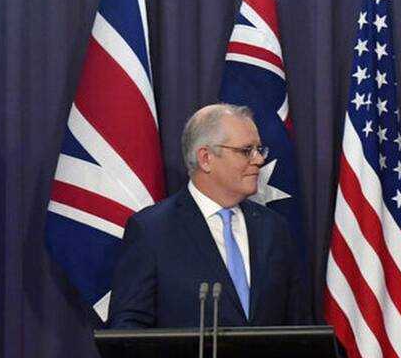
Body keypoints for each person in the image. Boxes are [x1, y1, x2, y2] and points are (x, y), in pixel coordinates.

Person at [107, 103, 311, 328]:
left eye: (259, 149)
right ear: (205, 158)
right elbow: (128, 328)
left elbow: (299, 324)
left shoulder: (273, 228)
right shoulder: (152, 231)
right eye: (246, 151)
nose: (259, 160)